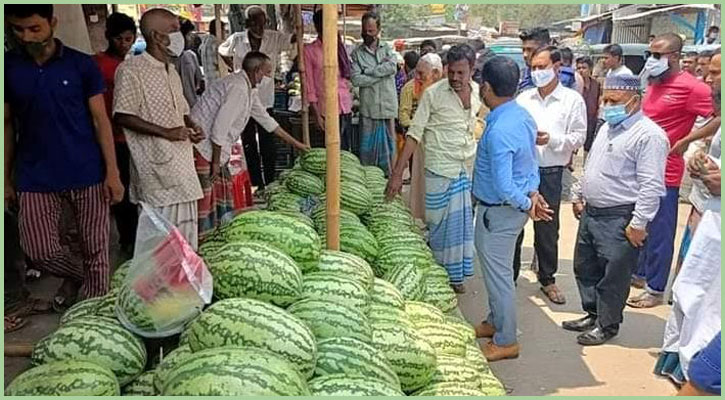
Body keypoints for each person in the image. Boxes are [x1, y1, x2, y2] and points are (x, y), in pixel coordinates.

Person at [5, 4, 123, 306]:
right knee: (39, 251)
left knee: (95, 247)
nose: (26, 37)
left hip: (87, 172)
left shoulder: (81, 65)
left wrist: (113, 172)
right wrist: (5, 179)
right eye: (18, 29)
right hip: (34, 175)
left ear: (52, 23)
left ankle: (94, 316)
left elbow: (100, 121)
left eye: (34, 29)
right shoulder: (8, 66)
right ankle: (84, 276)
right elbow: (6, 124)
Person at [565, 74, 669, 346]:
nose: (607, 105)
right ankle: (592, 313)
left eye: (615, 101)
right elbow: (591, 165)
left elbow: (651, 185)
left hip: (620, 216)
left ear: (635, 101)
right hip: (592, 212)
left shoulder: (649, 136)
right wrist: (579, 193)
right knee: (585, 267)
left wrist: (639, 223)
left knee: (613, 276)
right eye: (605, 99)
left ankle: (607, 324)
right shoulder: (607, 127)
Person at [472, 55, 552, 361]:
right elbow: (529, 165)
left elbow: (506, 186)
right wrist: (532, 193)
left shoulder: (501, 129)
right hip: (505, 210)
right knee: (496, 273)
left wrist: (526, 203)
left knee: (499, 277)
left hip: (500, 213)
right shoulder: (521, 116)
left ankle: (506, 340)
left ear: (487, 87)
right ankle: (494, 322)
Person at [628, 33, 714, 308]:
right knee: (638, 224)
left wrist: (688, 140)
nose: (651, 60)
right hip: (638, 168)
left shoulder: (692, 87)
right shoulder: (654, 82)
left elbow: (718, 114)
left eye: (657, 55)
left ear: (675, 57)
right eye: (649, 55)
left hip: (665, 169)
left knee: (660, 232)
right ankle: (640, 275)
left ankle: (655, 288)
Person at [386, 45, 481, 293]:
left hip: (464, 168)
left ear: (472, 70)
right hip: (439, 168)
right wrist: (397, 174)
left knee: (460, 228)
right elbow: (414, 134)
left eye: (462, 73)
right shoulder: (433, 94)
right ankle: (437, 277)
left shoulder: (478, 92)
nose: (456, 79)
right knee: (437, 226)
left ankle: (455, 276)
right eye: (452, 72)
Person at [113, 8, 205, 250]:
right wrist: (166, 132)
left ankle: (184, 287)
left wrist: (192, 126)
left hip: (182, 168)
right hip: (156, 172)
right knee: (161, 246)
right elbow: (123, 115)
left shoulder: (171, 70)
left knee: (185, 242)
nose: (179, 35)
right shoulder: (132, 70)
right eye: (174, 30)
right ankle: (163, 288)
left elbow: (182, 111)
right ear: (156, 36)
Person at [192, 52, 308, 237]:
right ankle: (201, 243)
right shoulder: (237, 88)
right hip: (203, 147)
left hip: (214, 149)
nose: (268, 77)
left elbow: (267, 121)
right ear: (256, 71)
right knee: (205, 201)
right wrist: (215, 163)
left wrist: (298, 144)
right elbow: (219, 129)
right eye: (267, 72)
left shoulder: (248, 89)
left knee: (219, 196)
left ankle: (214, 237)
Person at [656, 86, 721, 385]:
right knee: (691, 291)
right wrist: (703, 164)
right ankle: (683, 363)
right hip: (710, 215)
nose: (710, 80)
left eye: (716, 73)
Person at [513, 46, 587, 303]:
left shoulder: (571, 100)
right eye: (533, 68)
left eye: (542, 67)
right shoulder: (524, 99)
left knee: (547, 227)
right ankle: (510, 277)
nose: (537, 73)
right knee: (515, 223)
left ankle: (547, 279)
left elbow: (580, 136)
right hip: (523, 170)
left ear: (557, 67)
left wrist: (552, 140)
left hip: (551, 172)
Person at [219, 5, 295, 188]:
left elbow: (292, 41)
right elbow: (222, 51)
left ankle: (269, 180)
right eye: (255, 24)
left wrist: (297, 28)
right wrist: (235, 68)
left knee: (268, 140)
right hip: (244, 97)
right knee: (248, 142)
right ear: (248, 23)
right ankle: (256, 181)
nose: (260, 28)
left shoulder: (274, 37)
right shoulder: (237, 39)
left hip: (264, 97)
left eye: (263, 24)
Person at [93, 12, 137, 257]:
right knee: (120, 190)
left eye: (128, 39)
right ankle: (127, 239)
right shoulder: (97, 64)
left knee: (134, 190)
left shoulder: (131, 65)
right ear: (109, 38)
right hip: (109, 136)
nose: (124, 44)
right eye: (118, 39)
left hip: (131, 137)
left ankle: (135, 236)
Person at [351, 12, 399, 175]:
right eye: (365, 31)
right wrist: (380, 75)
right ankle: (369, 181)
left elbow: (392, 68)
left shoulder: (388, 49)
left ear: (378, 30)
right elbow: (356, 80)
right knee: (367, 153)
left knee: (390, 150)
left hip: (387, 108)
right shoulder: (357, 53)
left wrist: (369, 72)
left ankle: (391, 182)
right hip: (369, 110)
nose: (367, 34)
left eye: (371, 31)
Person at [398, 53, 444, 221]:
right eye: (416, 72)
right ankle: (423, 219)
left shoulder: (446, 91)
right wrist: (416, 127)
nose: (417, 77)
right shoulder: (409, 88)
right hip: (418, 142)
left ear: (436, 73)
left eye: (421, 74)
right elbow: (403, 115)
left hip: (439, 146)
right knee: (420, 183)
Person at [304, 9, 353, 151]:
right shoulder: (309, 51)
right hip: (326, 109)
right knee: (329, 152)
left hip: (344, 106)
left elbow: (345, 74)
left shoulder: (339, 46)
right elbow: (309, 87)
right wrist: (317, 115)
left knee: (345, 151)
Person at [174, 18, 203, 108]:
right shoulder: (188, 56)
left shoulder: (190, 56)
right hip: (183, 106)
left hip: (190, 105)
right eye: (188, 34)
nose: (190, 38)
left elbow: (199, 80)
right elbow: (198, 80)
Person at [576, 56, 602, 155]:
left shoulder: (596, 84)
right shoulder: (574, 85)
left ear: (590, 69)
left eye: (584, 68)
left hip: (591, 119)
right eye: (578, 68)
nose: (581, 70)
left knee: (589, 146)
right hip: (578, 119)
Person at [199, 18, 224, 86]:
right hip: (217, 80)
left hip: (208, 79)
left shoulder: (205, 41)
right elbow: (220, 62)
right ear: (219, 29)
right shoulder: (216, 43)